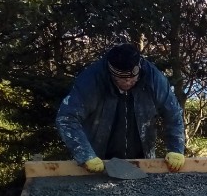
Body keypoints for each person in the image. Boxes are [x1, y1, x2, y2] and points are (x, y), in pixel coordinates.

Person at [57, 43, 187, 173]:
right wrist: (85, 155)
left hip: (143, 160)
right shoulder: (92, 79)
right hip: (99, 160)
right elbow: (67, 117)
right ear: (111, 73)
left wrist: (176, 149)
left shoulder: (153, 78)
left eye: (132, 78)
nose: (128, 82)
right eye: (122, 79)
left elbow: (173, 113)